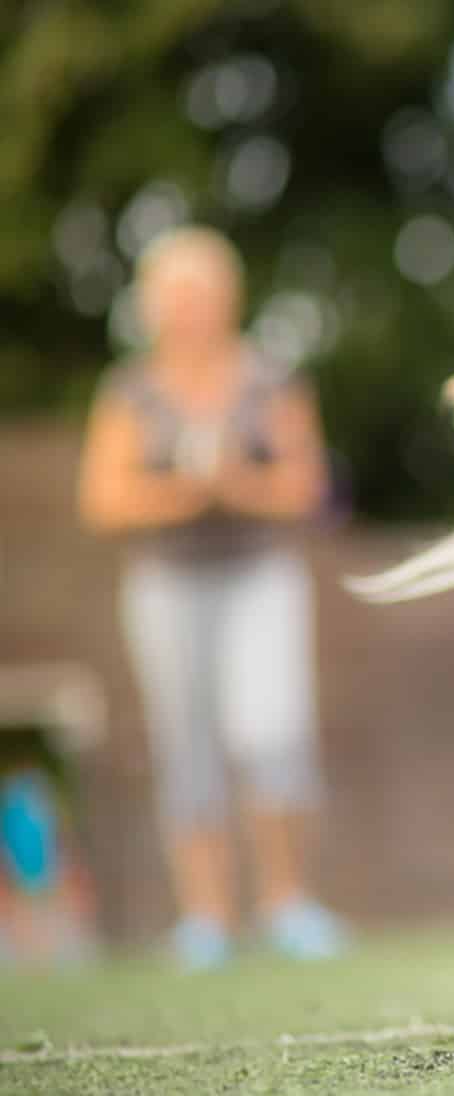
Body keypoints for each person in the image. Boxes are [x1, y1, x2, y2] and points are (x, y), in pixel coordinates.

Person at [77, 227, 345, 969]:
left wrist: (237, 489)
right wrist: (187, 495)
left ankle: (289, 904)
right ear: (153, 306)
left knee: (275, 733)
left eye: (203, 293)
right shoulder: (130, 390)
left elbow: (305, 487)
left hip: (261, 577)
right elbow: (104, 499)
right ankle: (206, 920)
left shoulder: (270, 380)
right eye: (176, 295)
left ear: (229, 299)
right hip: (167, 584)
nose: (190, 308)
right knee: (185, 745)